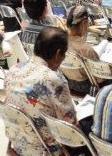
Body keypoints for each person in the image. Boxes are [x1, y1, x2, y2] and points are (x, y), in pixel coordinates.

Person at [4, 27, 77, 156]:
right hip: (46, 150)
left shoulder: (13, 70)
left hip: (19, 142)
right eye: (64, 54)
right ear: (58, 54)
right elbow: (70, 126)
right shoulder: (53, 78)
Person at [62, 5, 99, 94]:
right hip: (88, 88)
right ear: (84, 23)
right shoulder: (86, 49)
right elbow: (99, 78)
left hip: (68, 84)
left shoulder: (60, 43)